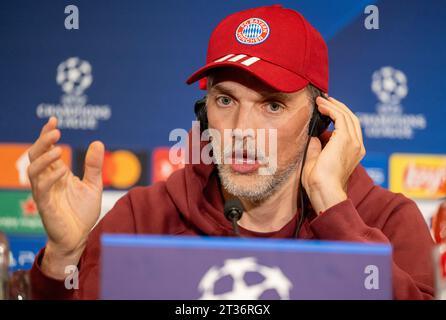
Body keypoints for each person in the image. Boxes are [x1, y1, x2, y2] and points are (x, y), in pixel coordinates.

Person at [28, 5, 434, 299]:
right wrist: (64, 257)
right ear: (204, 115)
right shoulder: (143, 219)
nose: (242, 131)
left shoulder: (386, 220)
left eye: (272, 105)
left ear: (319, 119)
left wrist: (335, 212)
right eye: (225, 101)